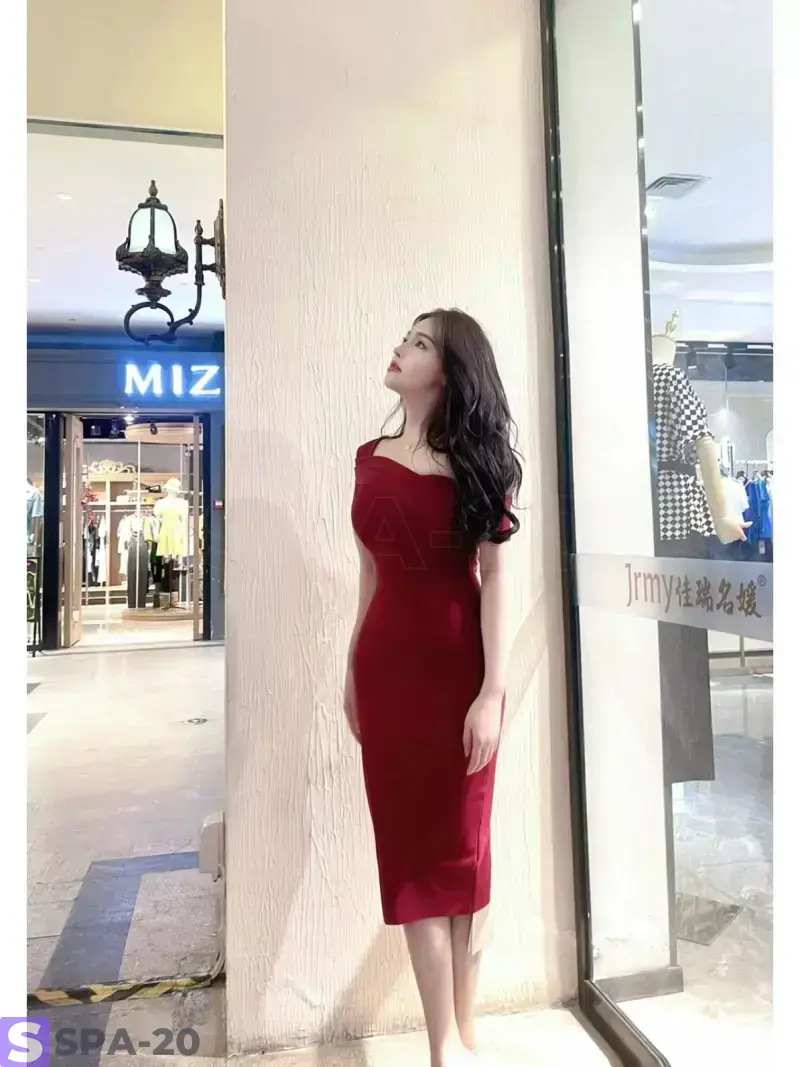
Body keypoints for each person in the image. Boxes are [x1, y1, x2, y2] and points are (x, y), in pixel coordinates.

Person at [346, 308, 521, 1067]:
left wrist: (493, 692)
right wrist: (350, 667)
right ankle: (443, 1043)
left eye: (418, 343)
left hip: (459, 673)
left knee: (462, 854)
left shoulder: (481, 463)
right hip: (387, 672)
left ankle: (465, 1029)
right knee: (413, 856)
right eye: (405, 337)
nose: (399, 348)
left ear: (447, 371)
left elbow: (498, 580)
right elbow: (368, 572)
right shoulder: (368, 458)